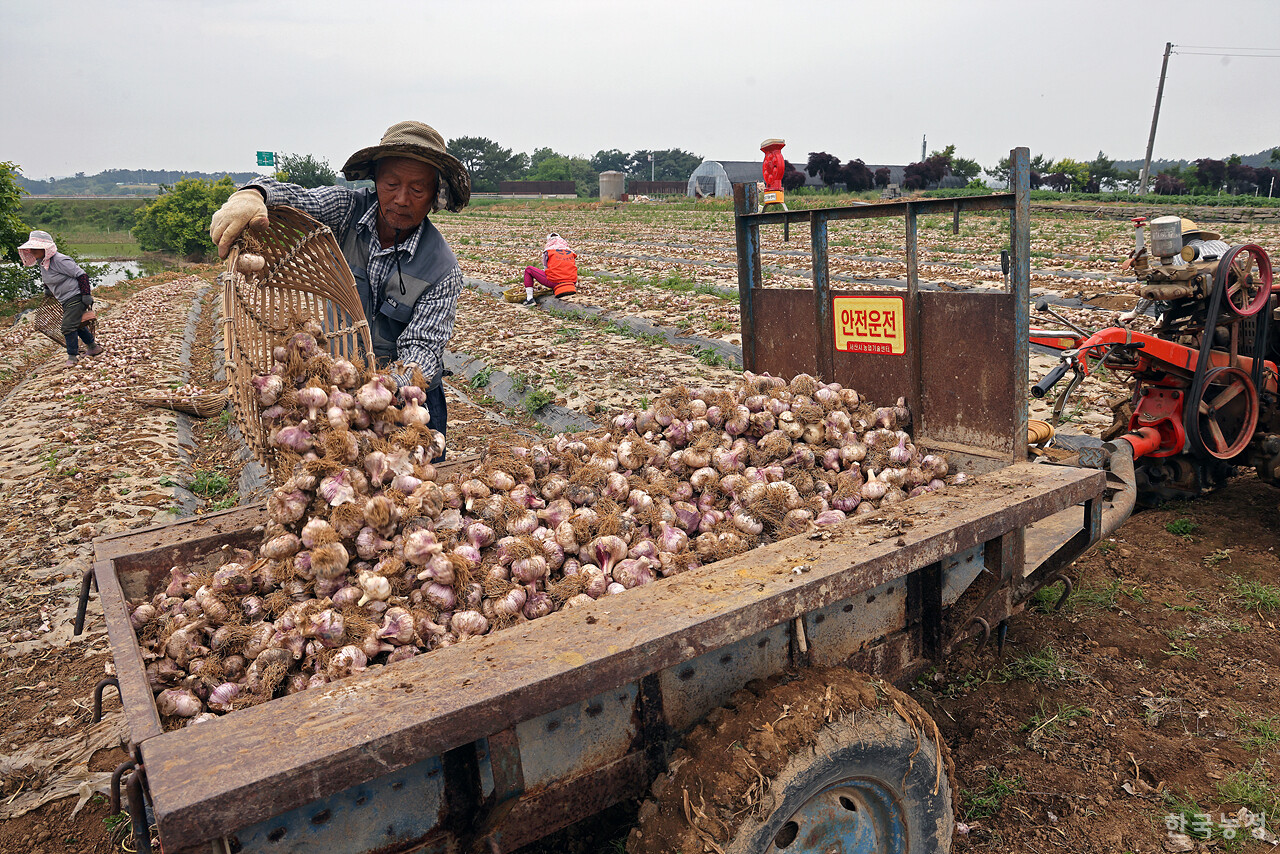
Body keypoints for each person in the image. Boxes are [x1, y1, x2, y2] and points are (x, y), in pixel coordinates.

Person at [209, 121, 470, 454]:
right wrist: (254, 194)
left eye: (418, 189)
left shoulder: (442, 268)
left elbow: (422, 351)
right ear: (375, 180)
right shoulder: (347, 211)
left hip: (404, 401)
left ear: (436, 194)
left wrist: (377, 389)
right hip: (334, 382)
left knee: (410, 490)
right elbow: (302, 200)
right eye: (391, 183)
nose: (402, 199)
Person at [18, 231, 103, 368]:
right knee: (76, 324)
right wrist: (47, 290)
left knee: (68, 327)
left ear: (45, 248)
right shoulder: (43, 262)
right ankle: (93, 347)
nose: (32, 251)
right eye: (31, 249)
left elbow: (81, 275)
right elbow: (47, 278)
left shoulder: (60, 260)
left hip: (75, 296)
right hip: (64, 299)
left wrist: (86, 295)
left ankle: (72, 356)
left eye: (35, 248)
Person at [521, 233, 577, 306]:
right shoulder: (570, 252)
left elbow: (546, 268)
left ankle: (529, 299)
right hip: (572, 281)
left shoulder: (548, 251)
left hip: (555, 282)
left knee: (529, 269)